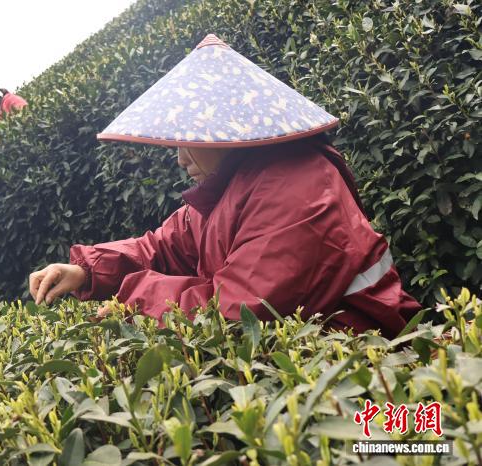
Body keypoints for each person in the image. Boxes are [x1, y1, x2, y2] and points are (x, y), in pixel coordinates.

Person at [29, 34, 420, 338]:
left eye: (187, 141)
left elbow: (238, 313)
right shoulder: (228, 188)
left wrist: (133, 302)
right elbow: (162, 247)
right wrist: (86, 270)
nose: (180, 158)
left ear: (224, 129)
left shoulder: (298, 187)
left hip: (368, 362)